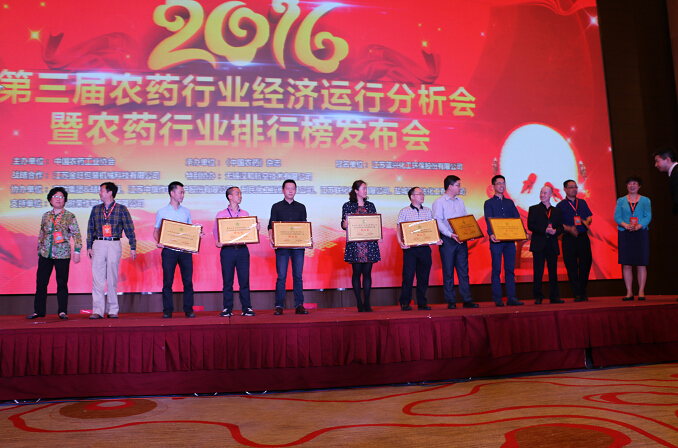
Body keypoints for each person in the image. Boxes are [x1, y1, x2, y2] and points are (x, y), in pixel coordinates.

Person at [27, 187, 82, 320]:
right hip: (45, 253)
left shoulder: (69, 216)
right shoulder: (46, 216)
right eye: (55, 196)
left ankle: (62, 311)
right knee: (41, 283)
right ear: (50, 200)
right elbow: (42, 233)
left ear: (65, 200)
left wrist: (77, 251)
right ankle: (39, 311)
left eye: (61, 197)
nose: (58, 199)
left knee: (62, 283)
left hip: (62, 254)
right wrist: (39, 250)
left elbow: (76, 234)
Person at [87, 182, 136, 319]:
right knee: (97, 278)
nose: (100, 193)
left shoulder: (121, 209)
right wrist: (89, 246)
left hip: (114, 243)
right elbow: (90, 228)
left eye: (102, 190)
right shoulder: (96, 209)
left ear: (110, 193)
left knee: (112, 278)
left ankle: (113, 309)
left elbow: (129, 228)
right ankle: (97, 310)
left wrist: (133, 247)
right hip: (98, 243)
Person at [154, 181, 200, 318]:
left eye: (183, 193)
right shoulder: (162, 211)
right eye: (180, 192)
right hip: (169, 251)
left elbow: (190, 231)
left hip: (185, 251)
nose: (182, 195)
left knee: (188, 281)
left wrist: (197, 235)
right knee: (168, 282)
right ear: (172, 193)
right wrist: (159, 242)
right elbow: (156, 231)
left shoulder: (186, 211)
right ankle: (167, 311)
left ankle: (188, 309)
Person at [432, 175, 479, 309]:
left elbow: (465, 219)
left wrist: (470, 233)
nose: (460, 188)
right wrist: (451, 234)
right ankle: (451, 300)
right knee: (448, 272)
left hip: (461, 240)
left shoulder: (460, 201)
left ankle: (467, 299)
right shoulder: (439, 202)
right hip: (448, 240)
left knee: (464, 271)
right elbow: (438, 221)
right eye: (458, 185)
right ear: (450, 186)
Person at [213, 186, 258, 317]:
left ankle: (247, 308)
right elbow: (215, 230)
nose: (240, 196)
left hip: (242, 250)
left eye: (240, 194)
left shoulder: (245, 214)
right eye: (237, 193)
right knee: (228, 281)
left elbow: (249, 232)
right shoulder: (221, 214)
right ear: (230, 196)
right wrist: (217, 241)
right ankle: (227, 308)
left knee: (244, 280)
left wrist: (255, 230)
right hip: (227, 250)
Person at [397, 187, 442, 310]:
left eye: (423, 194)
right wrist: (400, 242)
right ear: (412, 197)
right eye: (419, 194)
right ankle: (405, 302)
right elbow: (399, 228)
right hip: (410, 249)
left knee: (423, 276)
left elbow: (431, 229)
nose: (422, 196)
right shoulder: (404, 211)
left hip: (425, 249)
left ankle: (422, 302)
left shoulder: (427, 211)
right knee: (408, 276)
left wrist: (436, 239)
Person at [268, 179, 309, 315]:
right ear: (283, 190)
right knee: (281, 277)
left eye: (293, 188)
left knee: (298, 276)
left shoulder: (301, 207)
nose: (291, 191)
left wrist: (308, 240)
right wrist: (271, 238)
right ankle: (279, 305)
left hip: (298, 247)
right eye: (288, 188)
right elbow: (271, 225)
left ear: (295, 190)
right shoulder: (276, 207)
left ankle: (299, 305)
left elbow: (304, 227)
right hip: (282, 248)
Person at [341, 180, 382, 312]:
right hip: (355, 245)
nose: (365, 191)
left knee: (367, 274)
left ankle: (367, 303)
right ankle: (359, 302)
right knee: (356, 273)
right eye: (363, 188)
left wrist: (378, 234)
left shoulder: (370, 205)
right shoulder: (347, 206)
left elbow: (374, 223)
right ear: (356, 191)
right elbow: (343, 224)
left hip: (369, 245)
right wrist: (344, 225)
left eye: (366, 188)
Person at [483, 175, 523, 307]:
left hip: (510, 241)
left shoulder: (509, 203)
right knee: (496, 270)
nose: (502, 185)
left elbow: (517, 219)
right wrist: (491, 234)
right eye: (499, 183)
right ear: (493, 186)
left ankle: (512, 297)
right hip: (496, 241)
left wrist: (522, 232)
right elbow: (488, 219)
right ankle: (498, 298)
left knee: (510, 270)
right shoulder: (489, 203)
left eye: (503, 183)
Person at [614, 176, 651, 301]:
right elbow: (617, 217)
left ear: (639, 186)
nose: (632, 186)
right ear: (626, 186)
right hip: (625, 233)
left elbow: (648, 216)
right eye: (629, 183)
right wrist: (626, 225)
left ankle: (641, 292)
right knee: (626, 264)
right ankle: (629, 292)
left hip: (640, 233)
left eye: (634, 183)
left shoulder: (645, 200)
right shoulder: (621, 200)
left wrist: (639, 226)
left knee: (641, 263)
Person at [556, 179, 593, 302]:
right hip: (569, 239)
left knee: (585, 265)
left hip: (583, 237)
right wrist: (569, 229)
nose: (573, 189)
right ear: (565, 189)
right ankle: (577, 293)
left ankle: (582, 291)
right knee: (571, 266)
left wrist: (587, 222)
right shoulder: (560, 205)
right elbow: (558, 223)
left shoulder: (582, 202)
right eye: (570, 187)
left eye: (575, 187)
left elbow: (589, 216)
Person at [527, 185, 564, 304]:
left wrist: (555, 231)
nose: (542, 195)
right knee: (538, 272)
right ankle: (538, 296)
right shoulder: (533, 209)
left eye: (545, 193)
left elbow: (561, 227)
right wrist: (544, 230)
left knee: (553, 272)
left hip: (552, 244)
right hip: (539, 244)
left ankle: (554, 296)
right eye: (541, 192)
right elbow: (530, 225)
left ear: (551, 195)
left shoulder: (557, 211)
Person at [653, 147, 678, 215]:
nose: (656, 165)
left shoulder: (676, 173)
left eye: (657, 161)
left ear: (667, 160)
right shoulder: (674, 173)